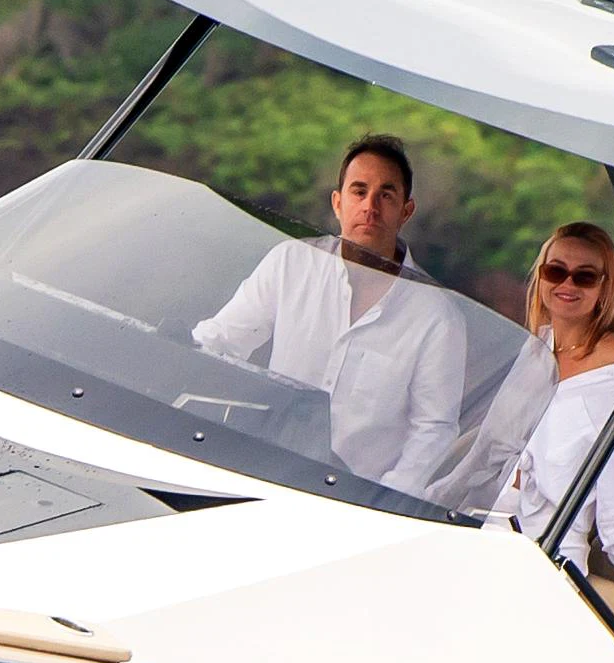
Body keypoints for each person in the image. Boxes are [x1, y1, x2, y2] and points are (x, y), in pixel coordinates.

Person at [186, 136, 517, 502]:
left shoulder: (437, 317)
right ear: (338, 203)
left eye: (385, 195)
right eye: (359, 191)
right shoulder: (291, 263)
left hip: (350, 503)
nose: (370, 206)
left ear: (406, 212)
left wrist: (379, 501)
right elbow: (220, 342)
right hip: (258, 473)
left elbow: (433, 430)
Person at [485, 220, 614, 615]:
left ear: (604, 289)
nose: (568, 284)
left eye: (585, 276)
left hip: (544, 552)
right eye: (556, 271)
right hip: (485, 525)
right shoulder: (538, 347)